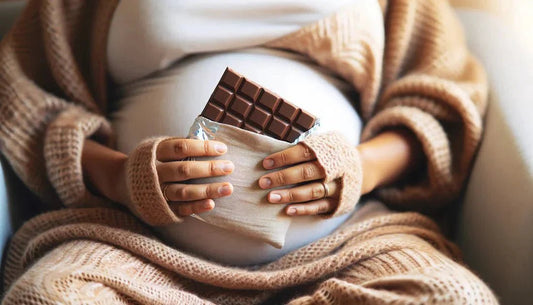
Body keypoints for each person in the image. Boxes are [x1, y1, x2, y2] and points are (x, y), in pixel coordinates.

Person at [0, 0, 498, 304]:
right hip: (137, 243)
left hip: (346, 243)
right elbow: (27, 101)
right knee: (48, 298)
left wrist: (358, 169)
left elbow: (436, 102)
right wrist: (119, 179)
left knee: (453, 298)